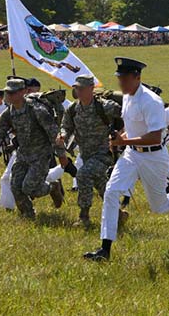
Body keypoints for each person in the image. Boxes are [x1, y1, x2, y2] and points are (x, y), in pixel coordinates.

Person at [84, 57, 169, 262]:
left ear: (137, 77)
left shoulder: (151, 101)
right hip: (131, 155)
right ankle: (105, 249)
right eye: (119, 78)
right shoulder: (128, 97)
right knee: (111, 192)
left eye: (124, 78)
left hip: (153, 157)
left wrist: (123, 142)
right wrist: (120, 137)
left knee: (159, 206)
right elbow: (131, 125)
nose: (121, 83)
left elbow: (155, 136)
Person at [0, 78, 67, 218]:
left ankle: (53, 187)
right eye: (7, 93)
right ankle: (28, 214)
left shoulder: (37, 110)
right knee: (15, 186)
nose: (8, 96)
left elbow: (54, 134)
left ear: (23, 92)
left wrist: (62, 156)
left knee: (29, 187)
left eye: (12, 93)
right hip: (23, 154)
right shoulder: (8, 114)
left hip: (41, 154)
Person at [59, 75, 121, 227]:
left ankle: (83, 217)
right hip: (86, 154)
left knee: (83, 175)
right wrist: (63, 136)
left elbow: (126, 114)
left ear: (91, 89)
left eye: (82, 88)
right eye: (76, 88)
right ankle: (119, 215)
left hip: (104, 155)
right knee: (103, 187)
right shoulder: (73, 109)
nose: (78, 91)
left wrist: (121, 134)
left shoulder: (104, 106)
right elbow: (66, 127)